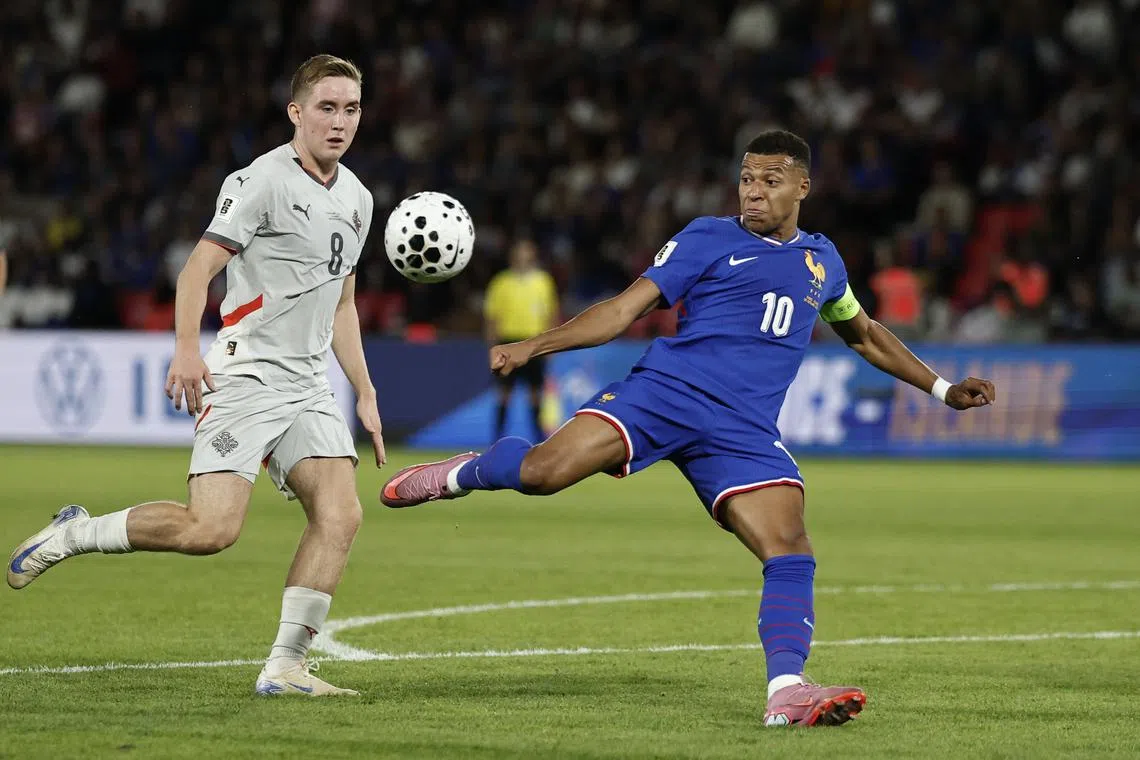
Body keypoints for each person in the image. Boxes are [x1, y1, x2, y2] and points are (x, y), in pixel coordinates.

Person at [381, 130, 996, 727]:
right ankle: (461, 473)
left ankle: (786, 692)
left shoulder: (823, 261)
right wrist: (533, 347)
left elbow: (864, 334)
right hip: (665, 394)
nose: (753, 192)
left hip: (743, 430)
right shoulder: (706, 238)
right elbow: (624, 309)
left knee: (790, 552)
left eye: (770, 181)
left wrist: (942, 389)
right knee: (543, 474)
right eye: (747, 179)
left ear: (803, 186)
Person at [7, 55, 385, 698]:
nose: (340, 121)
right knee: (210, 531)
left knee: (341, 515)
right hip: (246, 377)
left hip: (309, 386)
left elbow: (343, 304)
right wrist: (187, 349)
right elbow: (193, 273)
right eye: (326, 106)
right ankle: (74, 532)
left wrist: (367, 393)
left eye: (350, 108)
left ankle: (286, 666)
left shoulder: (358, 198)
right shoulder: (258, 181)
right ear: (296, 112)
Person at [483, 238, 558, 441]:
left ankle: (539, 441)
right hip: (508, 342)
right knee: (504, 394)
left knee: (535, 395)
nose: (522, 256)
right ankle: (496, 441)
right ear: (513, 255)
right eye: (519, 251)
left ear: (532, 254)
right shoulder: (501, 282)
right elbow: (492, 317)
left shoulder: (543, 281)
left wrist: (550, 347)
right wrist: (492, 345)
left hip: (534, 342)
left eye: (526, 251)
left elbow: (551, 314)